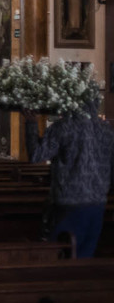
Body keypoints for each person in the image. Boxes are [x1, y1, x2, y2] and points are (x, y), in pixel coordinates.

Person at [33, 102, 114, 258]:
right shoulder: (106, 130)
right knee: (83, 260)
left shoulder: (64, 126)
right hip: (98, 204)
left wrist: (31, 122)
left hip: (69, 202)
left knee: (58, 257)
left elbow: (37, 155)